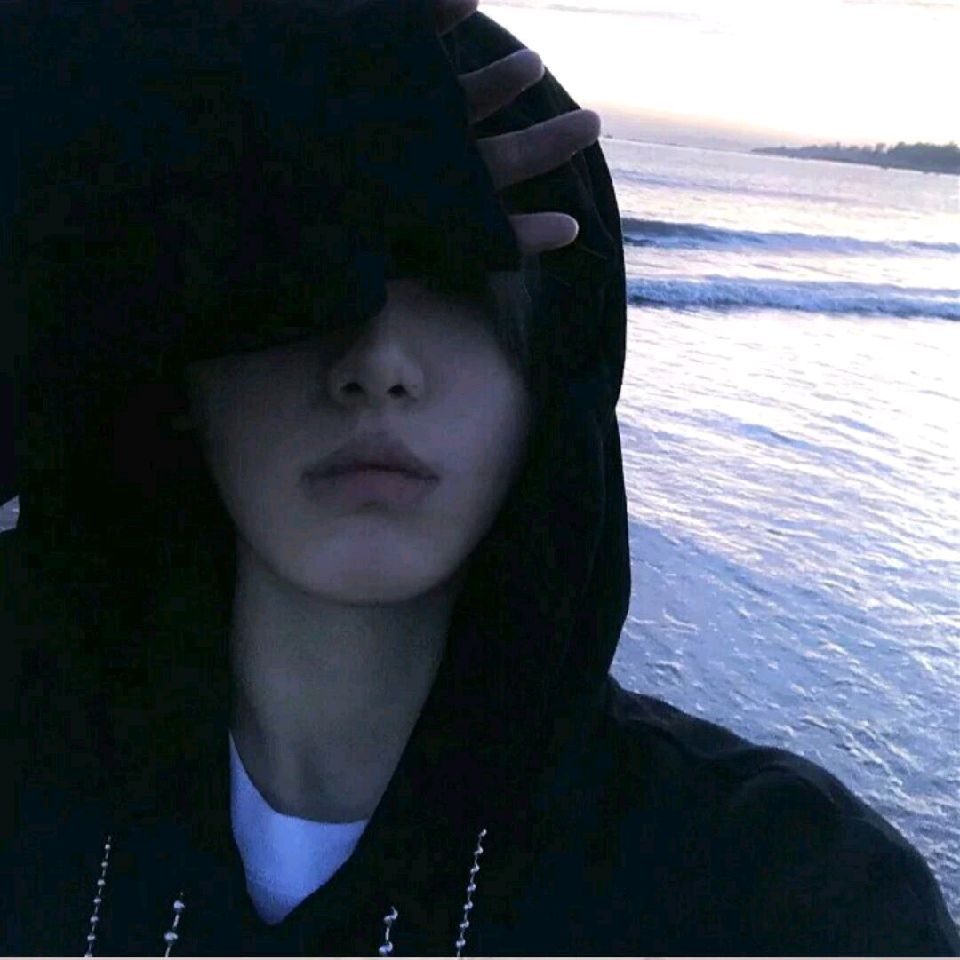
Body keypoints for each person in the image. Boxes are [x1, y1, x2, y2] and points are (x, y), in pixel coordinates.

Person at [1, 1, 958, 956]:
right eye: (303, 279)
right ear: (174, 344)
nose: (378, 363)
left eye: (463, 276)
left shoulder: (780, 888)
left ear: (556, 368)